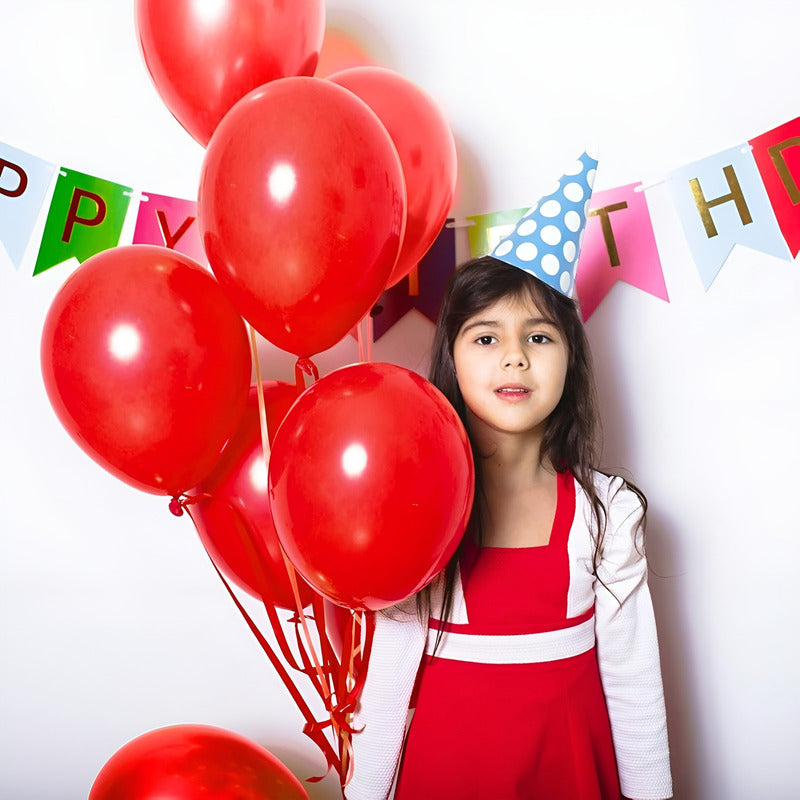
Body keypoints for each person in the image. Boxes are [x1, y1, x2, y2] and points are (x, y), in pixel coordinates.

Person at [345, 154, 672, 800]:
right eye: (487, 338)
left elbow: (636, 686)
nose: (516, 355)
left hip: (568, 771)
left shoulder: (606, 515)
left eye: (540, 337)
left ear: (572, 358)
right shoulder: (419, 509)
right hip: (449, 772)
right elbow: (388, 682)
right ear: (453, 358)